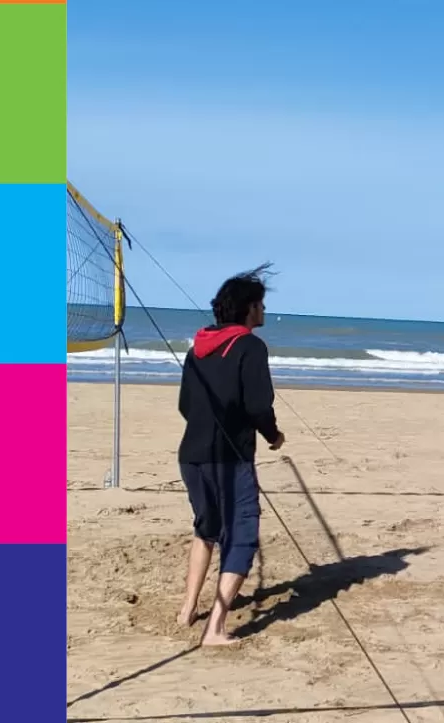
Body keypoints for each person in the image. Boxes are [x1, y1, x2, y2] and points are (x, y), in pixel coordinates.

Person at [175, 264, 285, 645]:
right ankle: (215, 628)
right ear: (249, 308)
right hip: (229, 457)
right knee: (241, 537)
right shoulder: (251, 346)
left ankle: (187, 610)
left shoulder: (196, 348)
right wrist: (273, 435)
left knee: (206, 528)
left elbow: (186, 406)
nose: (264, 312)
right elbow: (258, 405)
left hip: (191, 454)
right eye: (262, 305)